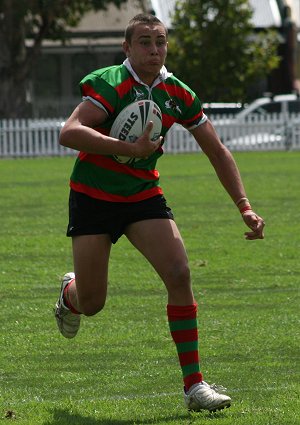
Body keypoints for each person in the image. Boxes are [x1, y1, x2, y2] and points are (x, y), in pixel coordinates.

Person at [54, 13, 265, 412]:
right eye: (145, 41)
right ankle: (70, 293)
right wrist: (131, 150)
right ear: (127, 48)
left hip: (142, 196)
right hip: (93, 195)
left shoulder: (177, 93)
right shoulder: (109, 83)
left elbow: (217, 151)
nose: (154, 49)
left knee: (180, 272)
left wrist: (245, 206)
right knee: (93, 301)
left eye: (161, 42)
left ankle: (194, 386)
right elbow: (69, 132)